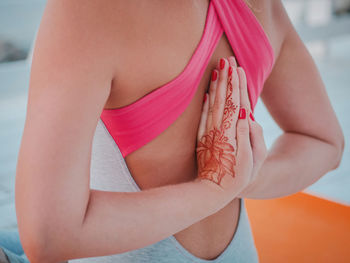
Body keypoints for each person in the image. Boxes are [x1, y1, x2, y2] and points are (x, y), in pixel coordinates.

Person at [9, 0, 344, 262]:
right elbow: (324, 141)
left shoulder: (91, 8)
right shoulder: (261, 5)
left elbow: (48, 237)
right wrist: (242, 177)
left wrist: (213, 188)